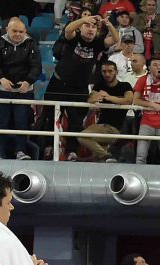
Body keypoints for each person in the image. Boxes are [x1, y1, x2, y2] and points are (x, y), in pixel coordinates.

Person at [48, 15, 115, 161]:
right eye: (87, 26)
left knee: (76, 121)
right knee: (49, 116)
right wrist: (85, 19)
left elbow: (115, 40)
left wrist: (108, 25)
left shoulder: (98, 43)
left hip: (80, 88)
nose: (91, 29)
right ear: (80, 28)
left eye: (94, 27)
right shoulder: (73, 38)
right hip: (59, 83)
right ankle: (47, 148)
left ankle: (72, 151)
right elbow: (68, 29)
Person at [0, 18, 40, 160]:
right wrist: (1, 78)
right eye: (15, 31)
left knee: (22, 122)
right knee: (1, 121)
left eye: (21, 32)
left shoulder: (31, 43)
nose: (18, 34)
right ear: (7, 30)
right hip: (2, 89)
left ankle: (21, 151)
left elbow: (36, 66)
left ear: (25, 31)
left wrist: (28, 81)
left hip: (25, 91)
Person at [80, 61, 133, 163]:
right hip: (100, 127)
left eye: (110, 71)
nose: (107, 74)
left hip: (114, 128)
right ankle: (106, 156)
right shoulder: (100, 85)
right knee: (98, 161)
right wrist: (95, 99)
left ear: (116, 72)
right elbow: (90, 99)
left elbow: (128, 100)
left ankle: (106, 155)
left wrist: (108, 97)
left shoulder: (125, 85)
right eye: (104, 71)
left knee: (82, 136)